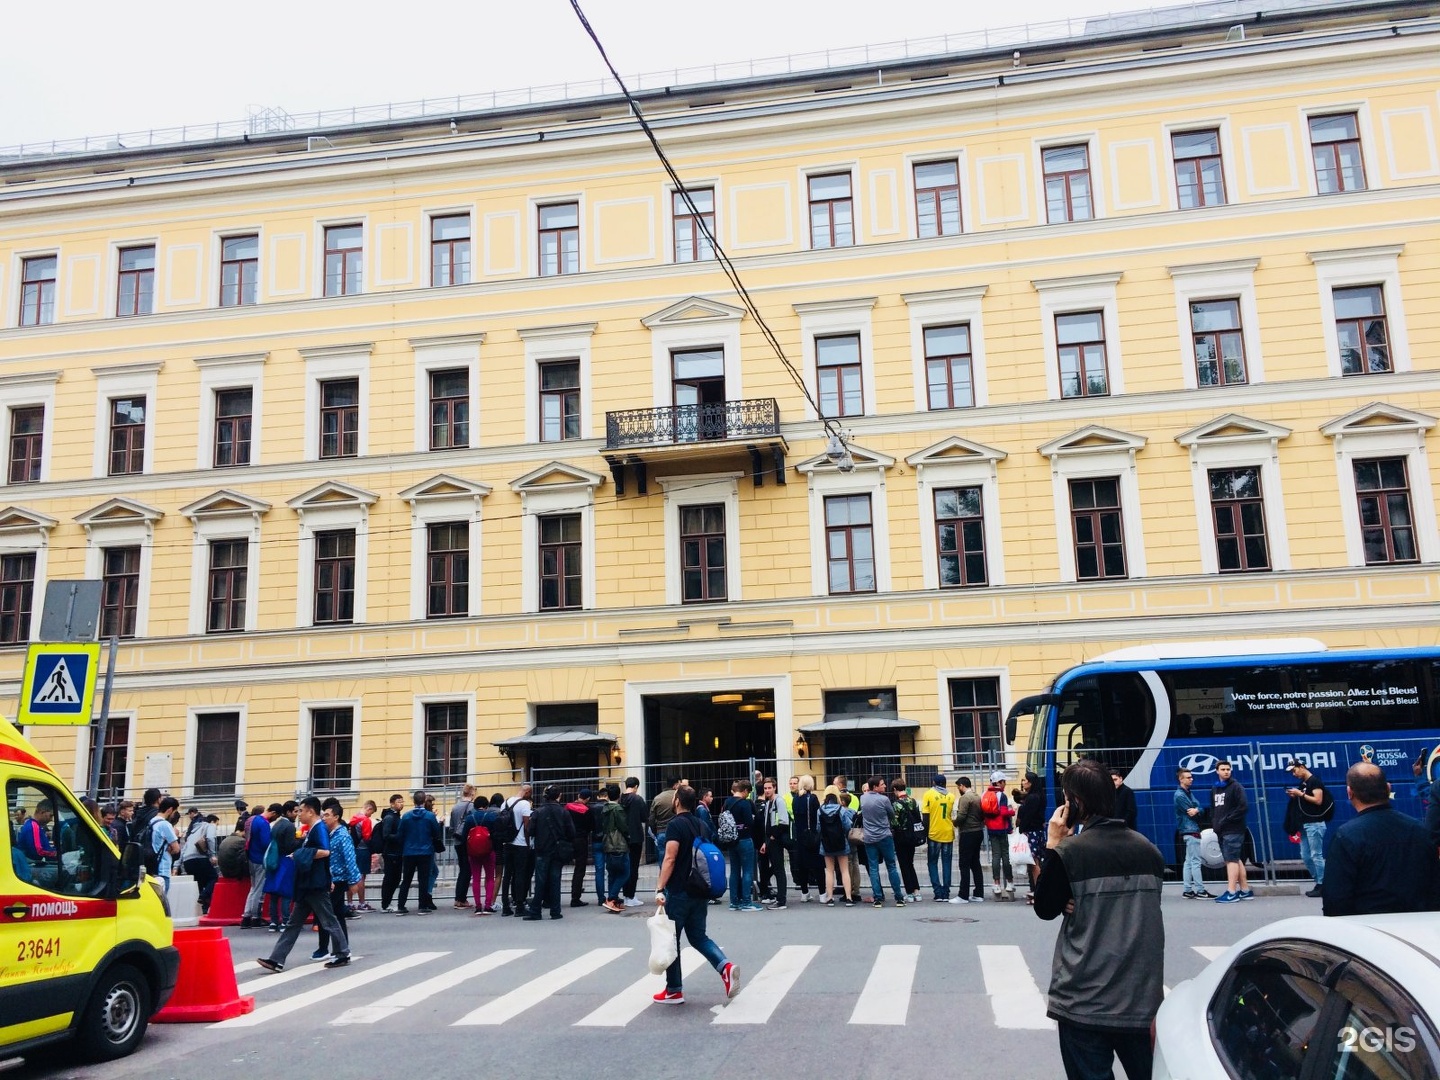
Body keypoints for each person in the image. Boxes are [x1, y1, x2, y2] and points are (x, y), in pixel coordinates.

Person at [1035, 758, 1165, 1080]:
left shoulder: (1072, 852)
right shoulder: (1149, 851)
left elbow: (1045, 907)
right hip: (1139, 998)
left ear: (1075, 803)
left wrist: (1053, 845)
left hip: (1085, 1000)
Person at [652, 785, 739, 1006]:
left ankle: (674, 990)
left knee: (672, 940)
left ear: (677, 801)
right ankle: (725, 967)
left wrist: (660, 887)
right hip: (700, 890)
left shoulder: (675, 825)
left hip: (680, 890)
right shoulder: (701, 824)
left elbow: (670, 858)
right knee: (699, 936)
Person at [1322, 762, 1440, 916]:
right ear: (1388, 788)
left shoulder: (1346, 836)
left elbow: (1335, 898)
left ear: (1350, 793)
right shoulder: (1419, 830)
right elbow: (1435, 887)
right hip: (1418, 927)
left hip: (1369, 929)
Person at [256, 797, 350, 972]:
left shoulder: (319, 828)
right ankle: (276, 959)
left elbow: (325, 852)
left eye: (301, 811)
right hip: (308, 883)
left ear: (310, 812)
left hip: (315, 884)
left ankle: (343, 953)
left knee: (328, 920)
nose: (299, 814)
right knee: (294, 923)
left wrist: (299, 854)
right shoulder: (313, 829)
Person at [315, 800, 361, 961]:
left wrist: (353, 881)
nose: (324, 818)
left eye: (327, 815)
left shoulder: (342, 835)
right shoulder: (331, 834)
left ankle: (340, 950)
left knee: (331, 916)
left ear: (336, 817)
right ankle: (341, 948)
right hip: (333, 878)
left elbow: (350, 859)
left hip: (339, 880)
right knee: (337, 915)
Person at [524, 785, 576, 921]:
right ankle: (555, 911)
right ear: (559, 796)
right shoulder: (563, 812)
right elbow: (571, 832)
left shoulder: (538, 812)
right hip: (558, 851)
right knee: (555, 880)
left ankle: (536, 911)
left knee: (540, 881)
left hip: (542, 850)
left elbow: (530, 831)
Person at [1283, 759, 1334, 898]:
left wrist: (1301, 794)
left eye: (1294, 770)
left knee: (1316, 855)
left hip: (1315, 823)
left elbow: (1318, 800)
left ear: (1302, 767)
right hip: (1305, 824)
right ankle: (1319, 881)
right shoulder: (1304, 783)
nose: (1294, 774)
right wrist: (1296, 795)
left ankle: (1323, 884)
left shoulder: (1314, 781)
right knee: (1305, 856)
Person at [859, 776, 906, 908]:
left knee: (873, 867)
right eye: (882, 784)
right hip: (884, 836)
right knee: (891, 866)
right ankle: (899, 897)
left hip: (869, 837)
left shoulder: (863, 798)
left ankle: (877, 898)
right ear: (875, 787)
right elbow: (891, 814)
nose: (885, 786)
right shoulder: (884, 800)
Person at [1210, 760, 1252, 904]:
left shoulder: (1236, 787)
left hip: (1233, 829)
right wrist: (1215, 823)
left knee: (1231, 860)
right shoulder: (1215, 789)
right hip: (1222, 830)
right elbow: (1214, 809)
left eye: (1228, 769)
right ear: (1217, 771)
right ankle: (1245, 890)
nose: (1226, 771)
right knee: (1235, 858)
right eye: (1223, 769)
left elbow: (1243, 807)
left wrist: (1226, 820)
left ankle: (1232, 892)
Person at [395, 789, 442, 915]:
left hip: (409, 851)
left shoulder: (406, 816)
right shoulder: (430, 816)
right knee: (423, 879)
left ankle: (401, 906)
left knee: (406, 880)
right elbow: (436, 832)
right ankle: (423, 906)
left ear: (414, 801)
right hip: (425, 851)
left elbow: (400, 834)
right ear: (424, 800)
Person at [723, 779, 762, 911]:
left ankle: (734, 901)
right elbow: (750, 823)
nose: (748, 795)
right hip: (744, 839)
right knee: (747, 870)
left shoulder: (727, 802)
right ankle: (746, 901)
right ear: (744, 791)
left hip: (731, 840)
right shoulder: (744, 804)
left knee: (734, 871)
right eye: (748, 792)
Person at [462, 794, 502, 915]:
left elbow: (464, 836)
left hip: (473, 852)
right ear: (486, 806)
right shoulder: (491, 817)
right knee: (490, 877)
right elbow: (496, 835)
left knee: (476, 878)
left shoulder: (469, 818)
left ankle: (478, 906)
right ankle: (488, 904)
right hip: (489, 851)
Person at [1173, 767, 1210, 899]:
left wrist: (1197, 809)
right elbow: (1194, 811)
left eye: (1191, 777)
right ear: (1180, 779)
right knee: (1195, 861)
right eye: (1188, 777)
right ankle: (1200, 890)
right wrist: (1198, 810)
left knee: (1188, 861)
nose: (1191, 779)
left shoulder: (1187, 793)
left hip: (1187, 830)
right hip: (1191, 829)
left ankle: (1188, 889)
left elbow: (1198, 807)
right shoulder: (1181, 795)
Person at [264, 801, 300, 930]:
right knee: (285, 893)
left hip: (274, 860)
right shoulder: (289, 826)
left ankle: (274, 922)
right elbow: (290, 845)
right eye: (295, 811)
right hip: (286, 860)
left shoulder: (276, 825)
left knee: (274, 893)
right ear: (288, 812)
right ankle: (285, 921)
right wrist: (301, 840)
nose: (297, 814)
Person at [919, 774, 955, 901]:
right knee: (947, 863)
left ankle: (937, 892)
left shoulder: (928, 794)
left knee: (932, 863)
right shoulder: (951, 796)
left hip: (934, 833)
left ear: (934, 782)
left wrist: (924, 834)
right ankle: (946, 892)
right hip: (948, 833)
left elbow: (925, 816)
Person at [501, 783, 534, 917]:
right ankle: (519, 906)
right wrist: (528, 843)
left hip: (507, 842)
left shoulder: (505, 803)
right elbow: (527, 825)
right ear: (527, 792)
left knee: (507, 875)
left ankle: (505, 906)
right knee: (520, 874)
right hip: (520, 844)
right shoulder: (524, 804)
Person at [817, 786, 854, 905]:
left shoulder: (820, 810)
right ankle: (848, 897)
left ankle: (830, 898)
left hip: (826, 843)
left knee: (829, 870)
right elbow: (848, 825)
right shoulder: (841, 809)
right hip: (841, 842)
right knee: (844, 870)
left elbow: (818, 828)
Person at [983, 771, 1017, 900]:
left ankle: (996, 883)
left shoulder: (986, 794)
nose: (1005, 783)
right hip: (1001, 828)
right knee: (1005, 856)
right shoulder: (1001, 795)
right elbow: (1003, 813)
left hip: (991, 828)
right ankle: (1009, 882)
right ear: (998, 782)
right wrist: (1013, 811)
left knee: (995, 856)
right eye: (1003, 781)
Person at [240, 803, 275, 928]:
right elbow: (266, 843)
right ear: (273, 813)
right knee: (259, 889)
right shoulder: (263, 823)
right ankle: (255, 917)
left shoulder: (251, 819)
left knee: (253, 888)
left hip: (251, 857)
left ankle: (246, 916)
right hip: (260, 858)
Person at [790, 775, 823, 902]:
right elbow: (817, 816)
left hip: (799, 835)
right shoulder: (813, 798)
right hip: (812, 835)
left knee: (802, 865)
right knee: (818, 865)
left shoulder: (796, 799)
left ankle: (804, 893)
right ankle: (822, 894)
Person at [756, 777, 789, 909]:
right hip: (770, 840)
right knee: (775, 868)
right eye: (765, 788)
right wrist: (765, 841)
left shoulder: (779, 801)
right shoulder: (769, 802)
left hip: (776, 840)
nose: (767, 790)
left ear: (774, 788)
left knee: (779, 869)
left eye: (770, 788)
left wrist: (773, 837)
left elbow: (783, 822)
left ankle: (781, 900)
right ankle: (772, 894)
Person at [598, 783, 630, 913]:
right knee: (625, 873)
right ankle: (612, 898)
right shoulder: (618, 809)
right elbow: (624, 827)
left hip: (607, 843)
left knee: (612, 873)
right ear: (619, 795)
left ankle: (613, 901)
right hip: (619, 844)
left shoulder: (605, 808)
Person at [1016, 771, 1048, 903]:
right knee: (1035, 861)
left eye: (1025, 780)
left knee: (1034, 863)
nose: (1023, 783)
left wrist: (1021, 829)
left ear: (1031, 782)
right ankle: (1035, 890)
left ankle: (1039, 892)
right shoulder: (1038, 795)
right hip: (1037, 831)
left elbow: (1028, 816)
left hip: (1031, 832)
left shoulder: (1032, 798)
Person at [953, 777, 985, 903]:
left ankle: (963, 895)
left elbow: (961, 816)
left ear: (962, 786)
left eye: (958, 787)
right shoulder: (977, 796)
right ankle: (979, 893)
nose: (958, 790)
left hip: (968, 833)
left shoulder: (965, 798)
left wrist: (954, 822)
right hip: (978, 831)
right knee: (975, 863)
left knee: (964, 864)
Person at [890, 780, 923, 902]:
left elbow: (894, 822)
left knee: (904, 865)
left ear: (895, 789)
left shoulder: (896, 804)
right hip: (913, 836)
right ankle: (917, 891)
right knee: (911, 863)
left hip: (901, 837)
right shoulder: (913, 801)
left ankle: (909, 893)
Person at [180, 807, 218, 911]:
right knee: (213, 877)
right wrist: (212, 855)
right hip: (200, 857)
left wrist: (177, 864)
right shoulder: (209, 826)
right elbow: (210, 838)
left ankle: (203, 907)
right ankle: (204, 897)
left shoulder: (191, 832)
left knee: (200, 882)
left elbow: (184, 848)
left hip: (187, 860)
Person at [448, 784, 478, 909]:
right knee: (467, 870)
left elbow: (451, 827)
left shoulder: (455, 807)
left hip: (457, 841)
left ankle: (458, 898)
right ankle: (461, 899)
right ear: (471, 793)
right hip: (467, 841)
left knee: (463, 869)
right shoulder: (471, 806)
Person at [619, 777, 646, 907]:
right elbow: (644, 817)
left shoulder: (620, 799)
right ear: (636, 786)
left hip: (623, 837)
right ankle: (631, 896)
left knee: (625, 867)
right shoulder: (637, 799)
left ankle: (625, 895)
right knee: (634, 867)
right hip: (636, 837)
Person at [566, 788, 594, 907]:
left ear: (578, 795)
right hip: (581, 840)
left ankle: (550, 897)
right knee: (579, 869)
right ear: (587, 799)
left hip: (568, 840)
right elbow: (591, 826)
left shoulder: (567, 807)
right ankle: (575, 897)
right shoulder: (587, 810)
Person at [347, 800, 377, 912]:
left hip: (352, 849)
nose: (370, 815)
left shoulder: (353, 818)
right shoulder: (366, 820)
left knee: (351, 877)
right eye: (371, 812)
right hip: (363, 850)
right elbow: (367, 837)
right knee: (361, 877)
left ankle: (350, 903)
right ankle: (362, 903)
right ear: (368, 809)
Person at [377, 793, 405, 912]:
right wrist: (399, 836)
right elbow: (386, 835)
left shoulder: (396, 816)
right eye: (399, 801)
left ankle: (388, 901)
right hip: (391, 853)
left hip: (397, 852)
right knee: (390, 878)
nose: (401, 804)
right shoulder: (389, 817)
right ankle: (385, 904)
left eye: (402, 801)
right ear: (392, 803)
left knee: (396, 878)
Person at [149, 797, 182, 894]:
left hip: (152, 866)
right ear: (170, 810)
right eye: (175, 811)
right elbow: (176, 849)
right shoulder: (165, 825)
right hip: (163, 867)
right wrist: (175, 837)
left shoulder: (151, 822)